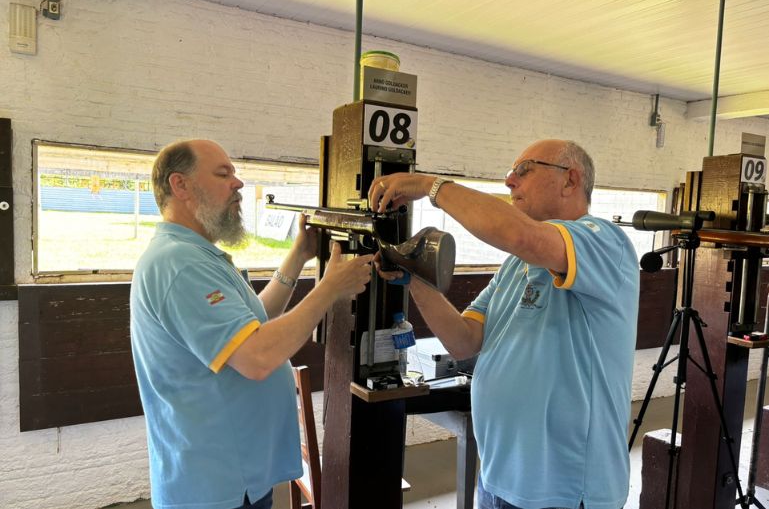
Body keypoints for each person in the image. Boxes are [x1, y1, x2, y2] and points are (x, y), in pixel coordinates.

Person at [369, 139, 639, 509]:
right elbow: (464, 341)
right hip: (498, 479)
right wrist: (415, 279)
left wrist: (430, 186)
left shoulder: (605, 241)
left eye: (525, 170)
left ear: (570, 180)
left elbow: (519, 234)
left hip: (564, 492)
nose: (511, 181)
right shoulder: (516, 265)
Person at [130, 139, 373, 509]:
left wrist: (299, 255)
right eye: (223, 174)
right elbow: (257, 357)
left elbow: (255, 321)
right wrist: (330, 289)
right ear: (180, 185)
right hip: (214, 489)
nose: (238, 183)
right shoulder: (180, 263)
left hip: (235, 477)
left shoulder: (196, 254)